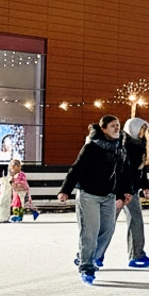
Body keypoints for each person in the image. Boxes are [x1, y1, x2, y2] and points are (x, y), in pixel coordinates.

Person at [57, 116, 129, 285]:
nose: (117, 128)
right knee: (90, 232)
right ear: (103, 128)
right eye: (113, 126)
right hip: (89, 195)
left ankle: (86, 256)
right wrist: (65, 190)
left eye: (118, 126)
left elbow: (122, 172)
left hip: (109, 196)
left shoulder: (120, 148)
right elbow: (76, 169)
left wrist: (123, 192)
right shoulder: (91, 147)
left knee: (108, 230)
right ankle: (87, 266)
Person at [120, 118, 149, 267]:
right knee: (106, 225)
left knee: (136, 221)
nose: (142, 133)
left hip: (131, 190)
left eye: (144, 130)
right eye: (141, 129)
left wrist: (145, 185)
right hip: (117, 190)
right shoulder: (121, 144)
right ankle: (90, 255)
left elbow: (141, 168)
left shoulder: (140, 145)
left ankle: (137, 254)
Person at [8, 158, 37, 222]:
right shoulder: (14, 175)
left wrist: (15, 181)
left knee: (21, 204)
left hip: (22, 192)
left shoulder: (21, 174)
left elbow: (23, 183)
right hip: (16, 192)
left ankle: (19, 216)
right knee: (17, 204)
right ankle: (18, 215)